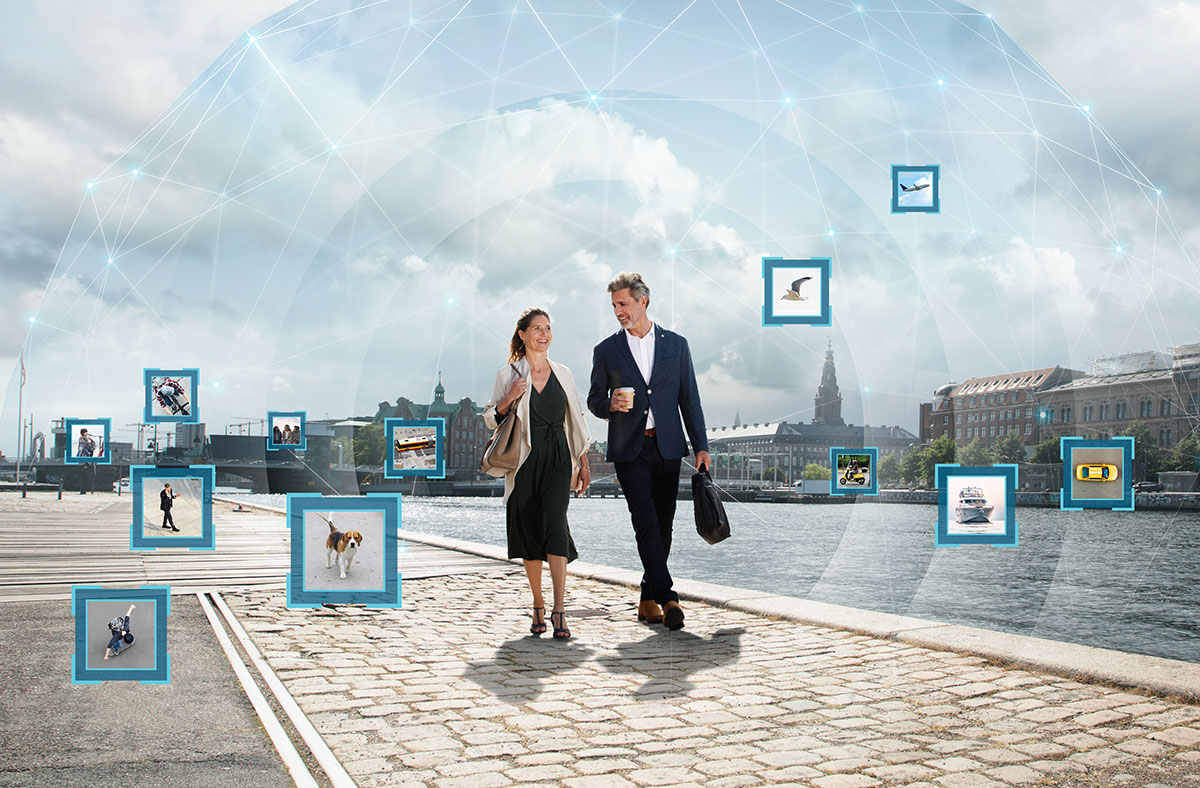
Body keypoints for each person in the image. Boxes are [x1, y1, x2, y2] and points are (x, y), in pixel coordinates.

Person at [588, 272, 710, 631]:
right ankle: (669, 597)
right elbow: (594, 400)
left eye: (623, 303)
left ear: (643, 301)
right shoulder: (606, 350)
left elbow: (690, 398)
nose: (618, 311)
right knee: (645, 524)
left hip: (670, 446)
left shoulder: (676, 345)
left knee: (664, 525)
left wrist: (700, 445)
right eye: (614, 306)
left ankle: (646, 599)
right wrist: (610, 403)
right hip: (630, 448)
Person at [484, 308, 591, 639]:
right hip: (524, 462)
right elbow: (490, 417)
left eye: (548, 328)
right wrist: (508, 399)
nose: (544, 334)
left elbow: (576, 418)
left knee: (556, 526)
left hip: (559, 457)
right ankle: (538, 604)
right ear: (523, 335)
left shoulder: (563, 373)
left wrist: (583, 462)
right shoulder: (509, 373)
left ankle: (560, 609)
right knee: (530, 531)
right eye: (537, 329)